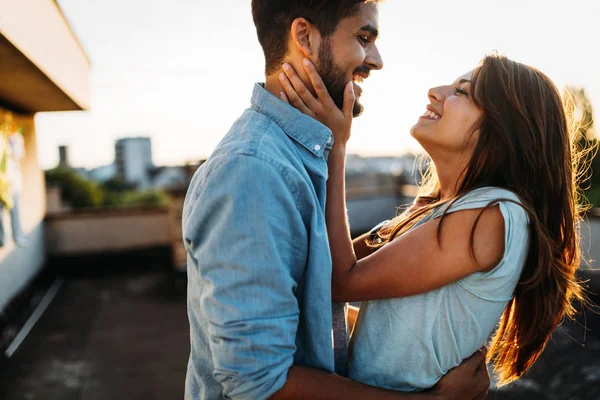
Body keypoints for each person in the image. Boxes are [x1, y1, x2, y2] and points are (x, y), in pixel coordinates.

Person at [183, 1, 489, 399]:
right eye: (364, 38)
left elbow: (309, 315)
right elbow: (259, 383)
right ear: (305, 37)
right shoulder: (253, 170)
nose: (375, 61)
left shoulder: (296, 159)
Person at [278, 53, 586, 391]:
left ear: (503, 130)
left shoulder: (492, 214)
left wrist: (335, 145)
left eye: (462, 92)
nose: (435, 91)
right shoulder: (437, 210)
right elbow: (369, 308)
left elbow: (338, 280)